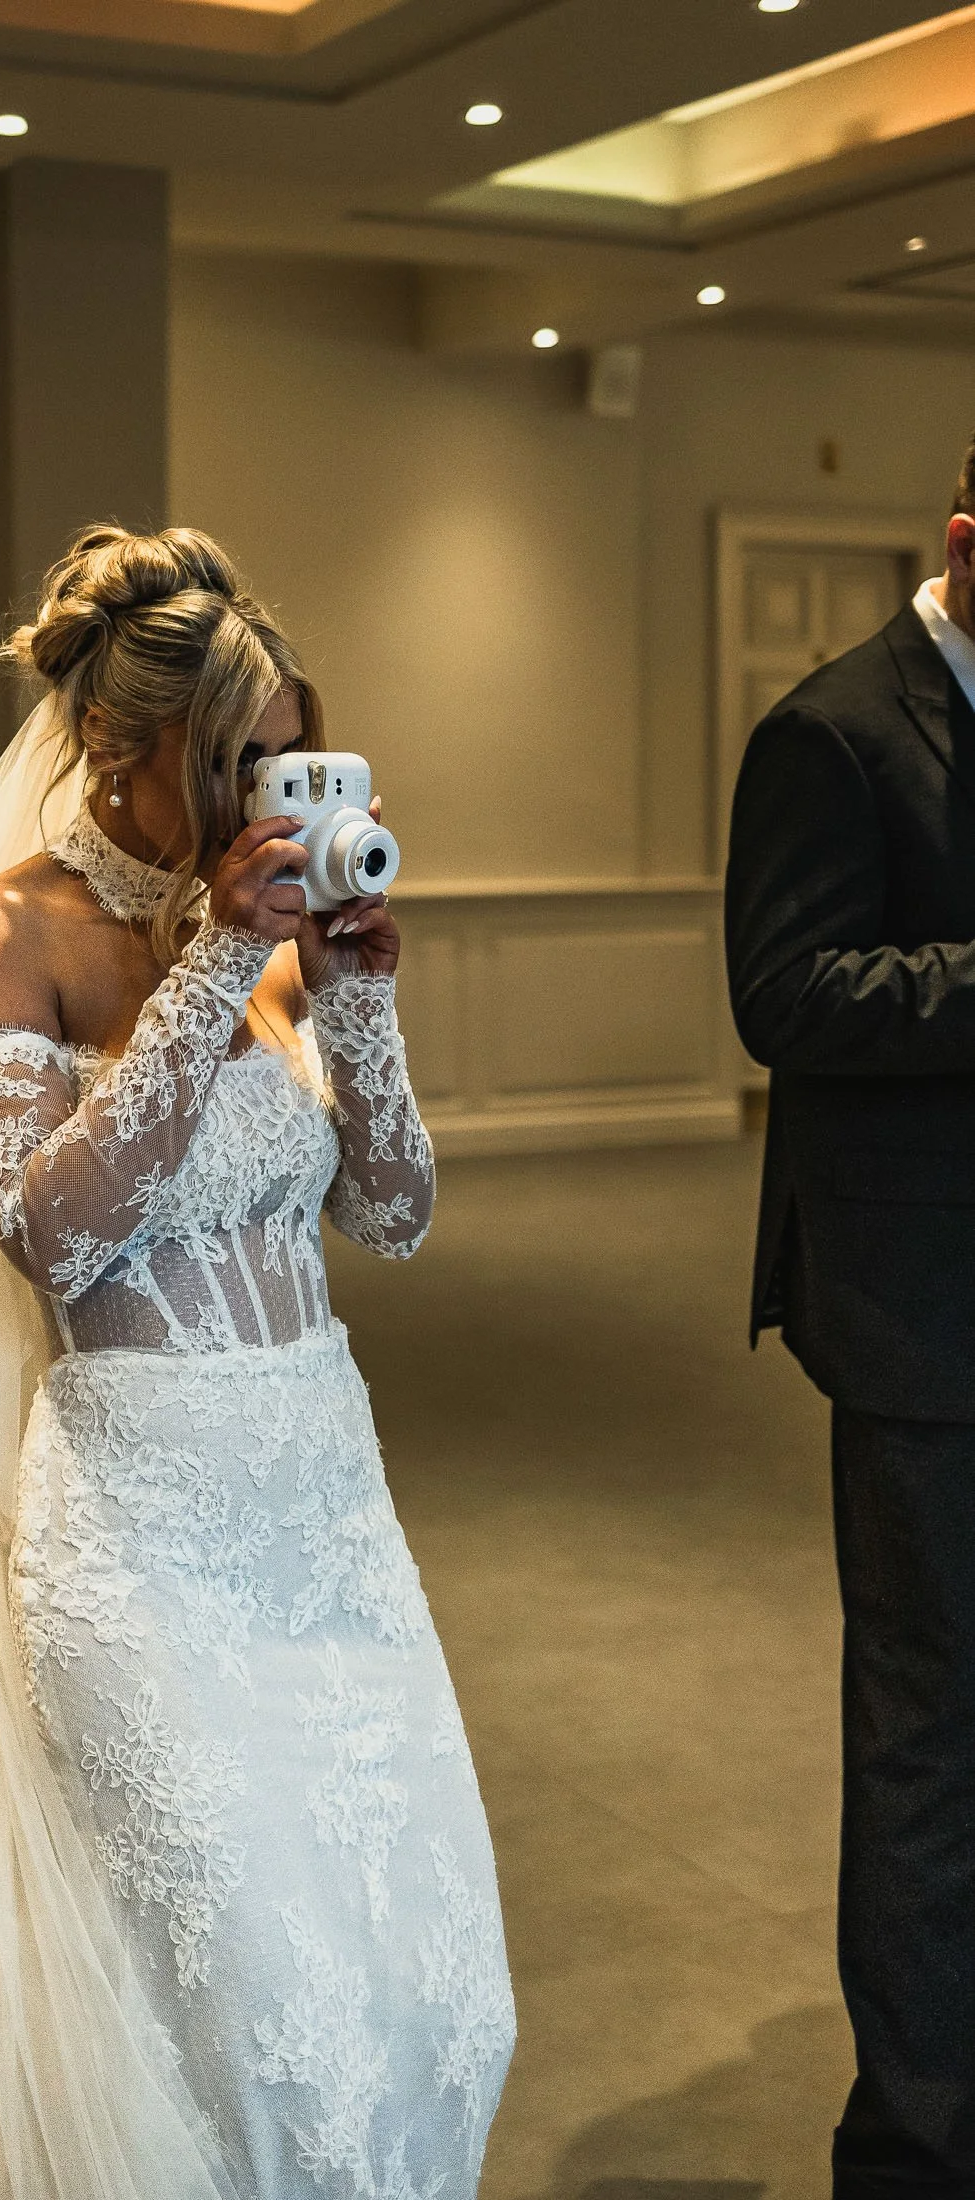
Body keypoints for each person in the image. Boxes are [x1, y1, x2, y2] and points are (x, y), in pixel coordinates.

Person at [0, 524, 514, 2200]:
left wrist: (353, 1003)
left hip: (328, 1512)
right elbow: (58, 1232)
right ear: (115, 756)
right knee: (254, 2011)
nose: (270, 795)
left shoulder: (278, 929)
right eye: (234, 762)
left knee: (433, 1988)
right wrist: (212, 965)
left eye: (289, 754)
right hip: (142, 1538)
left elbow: (397, 1213)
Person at [726, 444, 975, 2200]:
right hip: (918, 1312)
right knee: (928, 1737)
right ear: (967, 545)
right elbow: (782, 996)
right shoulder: (830, 729)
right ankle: (911, 2150)